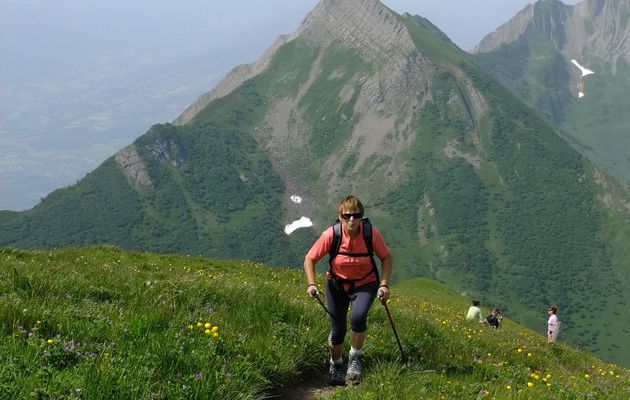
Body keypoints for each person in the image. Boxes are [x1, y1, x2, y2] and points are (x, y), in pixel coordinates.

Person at [304, 195, 393, 386]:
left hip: (366, 283)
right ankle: (336, 364)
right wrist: (311, 284)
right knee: (338, 331)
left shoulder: (371, 234)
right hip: (336, 286)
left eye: (356, 215)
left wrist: (384, 284)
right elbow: (310, 258)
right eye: (347, 216)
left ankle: (355, 359)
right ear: (340, 216)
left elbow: (386, 256)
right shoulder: (332, 234)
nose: (352, 220)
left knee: (358, 317)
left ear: (362, 216)